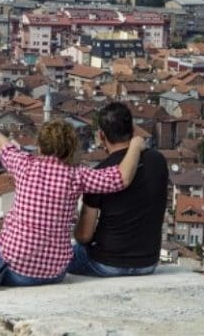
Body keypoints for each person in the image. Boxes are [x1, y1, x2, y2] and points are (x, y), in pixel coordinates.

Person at [0, 117, 146, 286]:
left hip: (17, 270)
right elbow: (121, 178)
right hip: (55, 273)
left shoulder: (24, 165)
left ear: (40, 145)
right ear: (71, 147)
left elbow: (3, 146)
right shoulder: (76, 176)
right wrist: (135, 146)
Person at [68, 102, 168, 277]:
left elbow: (84, 235)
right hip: (148, 263)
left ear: (101, 135)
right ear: (132, 130)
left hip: (106, 263)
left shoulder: (100, 174)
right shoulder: (158, 161)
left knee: (61, 255)